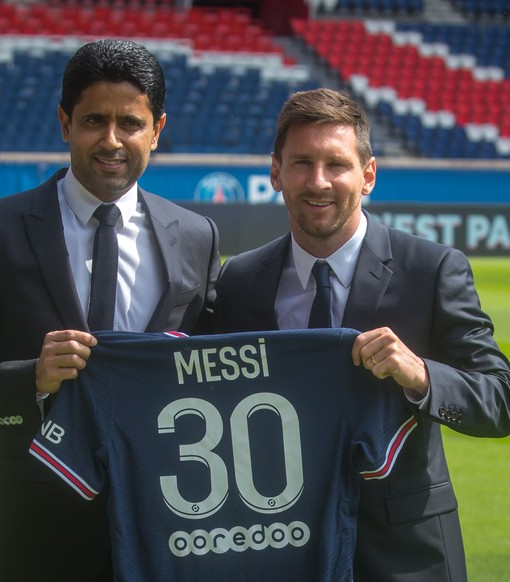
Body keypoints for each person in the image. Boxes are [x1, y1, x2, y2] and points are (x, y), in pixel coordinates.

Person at [0, 39, 220, 582]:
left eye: (129, 124)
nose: (111, 140)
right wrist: (30, 380)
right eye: (93, 121)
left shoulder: (196, 236)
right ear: (65, 123)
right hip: (30, 536)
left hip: (166, 530)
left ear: (157, 130)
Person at [213, 88, 510, 581]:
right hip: (276, 546)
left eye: (337, 164)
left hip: (405, 553)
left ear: (368, 174)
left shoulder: (432, 270)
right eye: (302, 163)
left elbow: (500, 400)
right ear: (275, 172)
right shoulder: (240, 281)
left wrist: (421, 375)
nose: (319, 181)